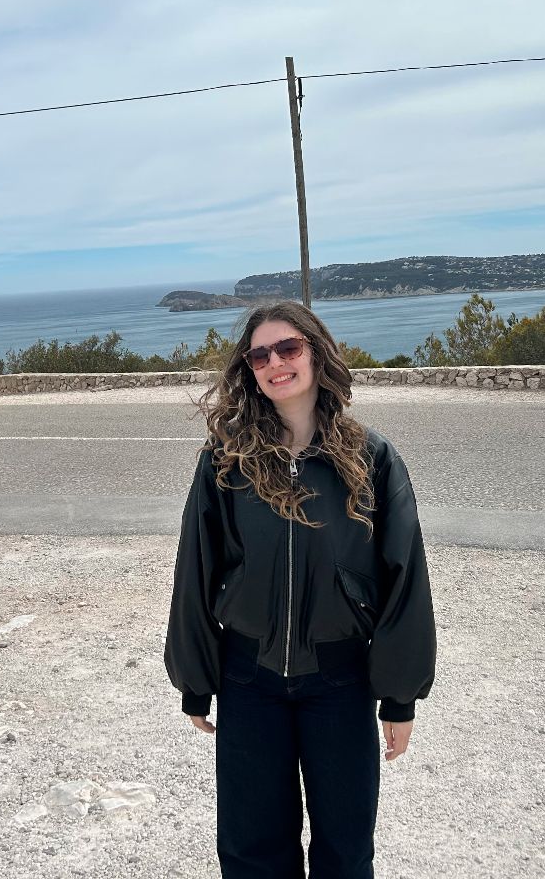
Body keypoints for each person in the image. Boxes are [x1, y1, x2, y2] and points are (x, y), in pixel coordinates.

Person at [166, 301, 436, 879]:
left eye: (288, 348)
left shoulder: (372, 458)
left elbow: (403, 575)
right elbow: (196, 568)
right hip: (249, 682)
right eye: (259, 354)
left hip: (339, 683)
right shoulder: (226, 459)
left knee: (345, 850)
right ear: (249, 369)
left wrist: (400, 695)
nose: (274, 363)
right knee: (250, 850)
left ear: (315, 352)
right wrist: (196, 682)